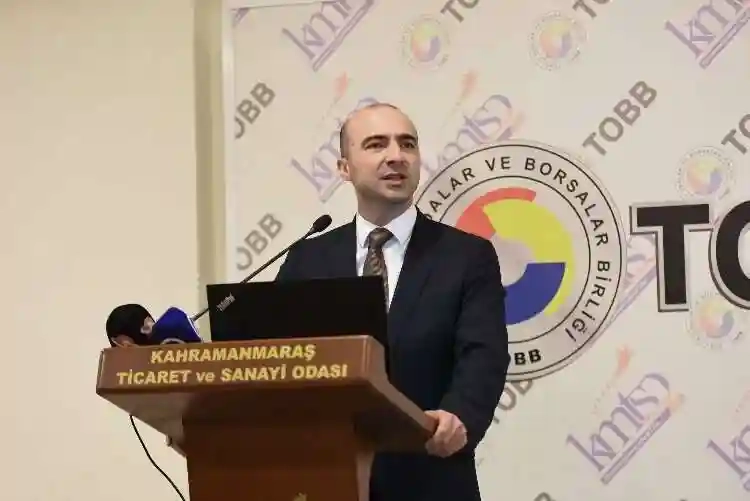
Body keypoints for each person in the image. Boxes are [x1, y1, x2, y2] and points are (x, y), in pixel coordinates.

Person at [275, 102, 510, 501]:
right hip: (328, 480)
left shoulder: (466, 256)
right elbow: (278, 357)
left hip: (430, 476)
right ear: (344, 167)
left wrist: (460, 416)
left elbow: (483, 355)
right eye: (376, 144)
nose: (396, 156)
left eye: (407, 144)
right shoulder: (307, 259)